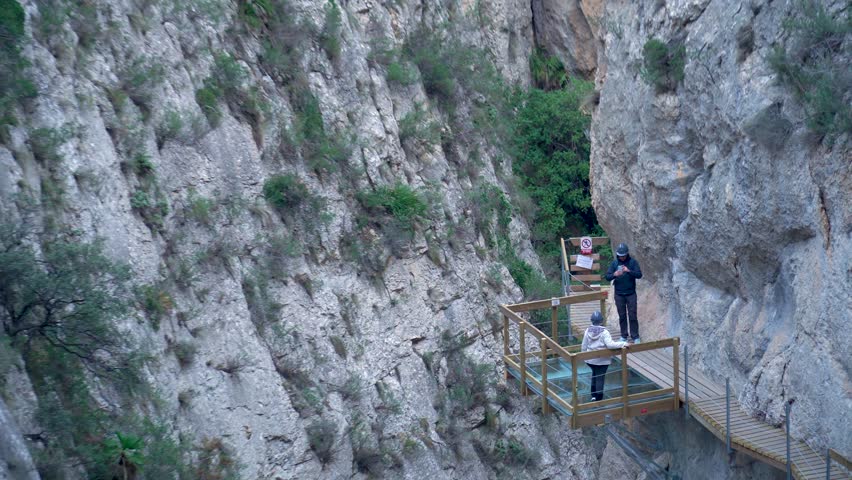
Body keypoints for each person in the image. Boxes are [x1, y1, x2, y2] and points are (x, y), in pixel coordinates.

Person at [581, 311, 628, 402]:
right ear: (601, 321)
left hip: (590, 360)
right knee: (600, 377)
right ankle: (599, 398)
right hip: (602, 360)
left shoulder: (587, 330)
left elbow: (584, 345)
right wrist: (624, 344)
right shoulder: (604, 332)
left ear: (591, 321)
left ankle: (593, 395)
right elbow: (610, 345)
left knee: (594, 375)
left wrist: (584, 356)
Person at [604, 243, 643, 343]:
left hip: (631, 293)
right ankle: (623, 335)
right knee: (622, 315)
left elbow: (639, 275)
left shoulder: (633, 262)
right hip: (619, 294)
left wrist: (628, 271)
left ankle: (635, 336)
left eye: (623, 256)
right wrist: (615, 274)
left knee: (632, 315)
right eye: (620, 256)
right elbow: (607, 276)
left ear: (626, 254)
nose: (622, 257)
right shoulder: (614, 263)